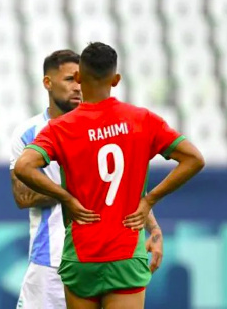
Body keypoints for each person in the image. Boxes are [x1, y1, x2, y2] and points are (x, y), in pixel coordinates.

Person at [13, 42, 204, 309]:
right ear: (116, 79)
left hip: (81, 253)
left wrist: (66, 198)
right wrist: (150, 201)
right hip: (125, 251)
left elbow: (24, 166)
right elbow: (194, 159)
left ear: (79, 77)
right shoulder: (141, 120)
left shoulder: (60, 128)